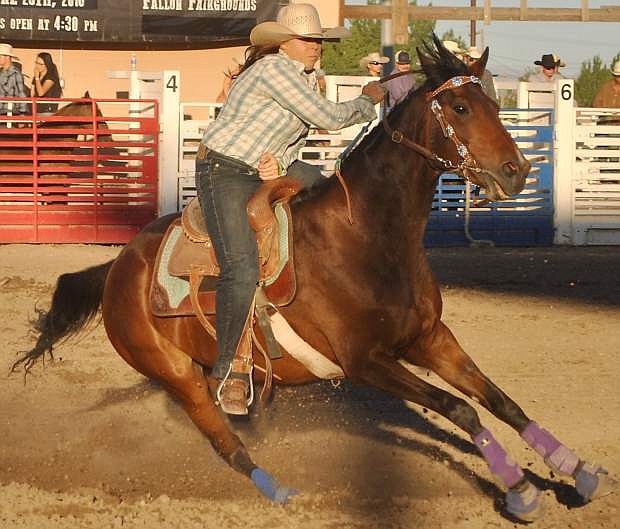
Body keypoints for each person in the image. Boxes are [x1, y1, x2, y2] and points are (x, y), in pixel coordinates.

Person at [195, 3, 385, 415]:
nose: (315, 46)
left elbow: (292, 143)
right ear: (285, 43)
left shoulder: (306, 76)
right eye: (307, 39)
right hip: (223, 170)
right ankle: (227, 369)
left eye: (318, 39)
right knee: (241, 267)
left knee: (333, 196)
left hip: (258, 166)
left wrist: (278, 166)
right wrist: (367, 100)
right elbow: (329, 119)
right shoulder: (276, 70)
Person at [0, 42, 27, 117]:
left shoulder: (16, 74)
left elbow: (21, 93)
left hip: (9, 112)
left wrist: (22, 113)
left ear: (7, 57)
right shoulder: (1, 72)